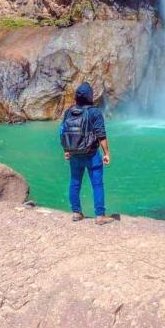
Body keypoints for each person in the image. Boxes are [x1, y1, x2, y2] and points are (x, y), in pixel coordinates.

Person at [60, 82, 114, 225]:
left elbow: (62, 132)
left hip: (74, 154)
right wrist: (107, 153)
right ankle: (100, 215)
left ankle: (76, 212)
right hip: (91, 154)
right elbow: (101, 134)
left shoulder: (69, 112)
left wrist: (66, 150)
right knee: (97, 184)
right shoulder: (94, 112)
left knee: (75, 182)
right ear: (90, 96)